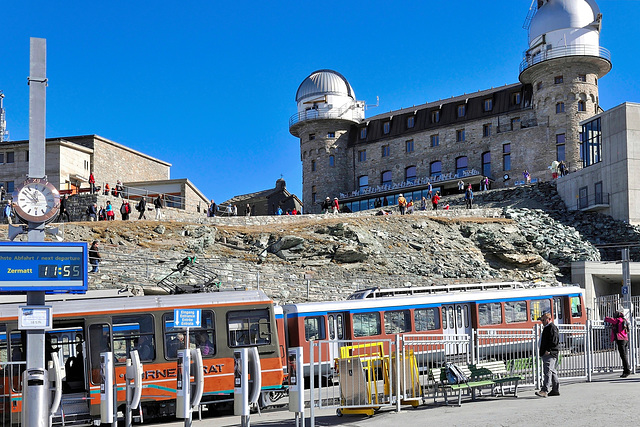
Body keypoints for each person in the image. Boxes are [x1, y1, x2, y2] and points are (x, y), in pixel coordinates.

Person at [536, 312, 560, 397]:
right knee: (552, 371)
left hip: (549, 353)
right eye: (541, 320)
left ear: (549, 319)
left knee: (547, 372)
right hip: (548, 353)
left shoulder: (551, 328)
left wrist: (548, 350)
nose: (542, 321)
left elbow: (554, 341)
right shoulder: (547, 328)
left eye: (543, 320)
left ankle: (544, 390)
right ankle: (555, 390)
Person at [604, 310, 631, 378]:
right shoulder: (625, 320)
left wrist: (606, 317)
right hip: (625, 339)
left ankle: (626, 371)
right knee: (625, 355)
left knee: (623, 356)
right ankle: (627, 369)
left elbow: (609, 320)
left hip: (620, 339)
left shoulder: (618, 320)